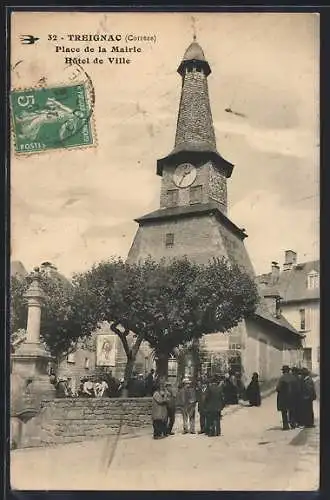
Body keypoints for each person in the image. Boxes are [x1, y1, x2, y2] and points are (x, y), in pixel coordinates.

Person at [276, 365, 295, 430]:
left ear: (284, 371)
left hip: (284, 398)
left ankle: (286, 426)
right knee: (291, 411)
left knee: (284, 412)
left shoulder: (282, 378)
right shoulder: (293, 377)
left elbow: (278, 388)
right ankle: (293, 424)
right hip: (292, 397)